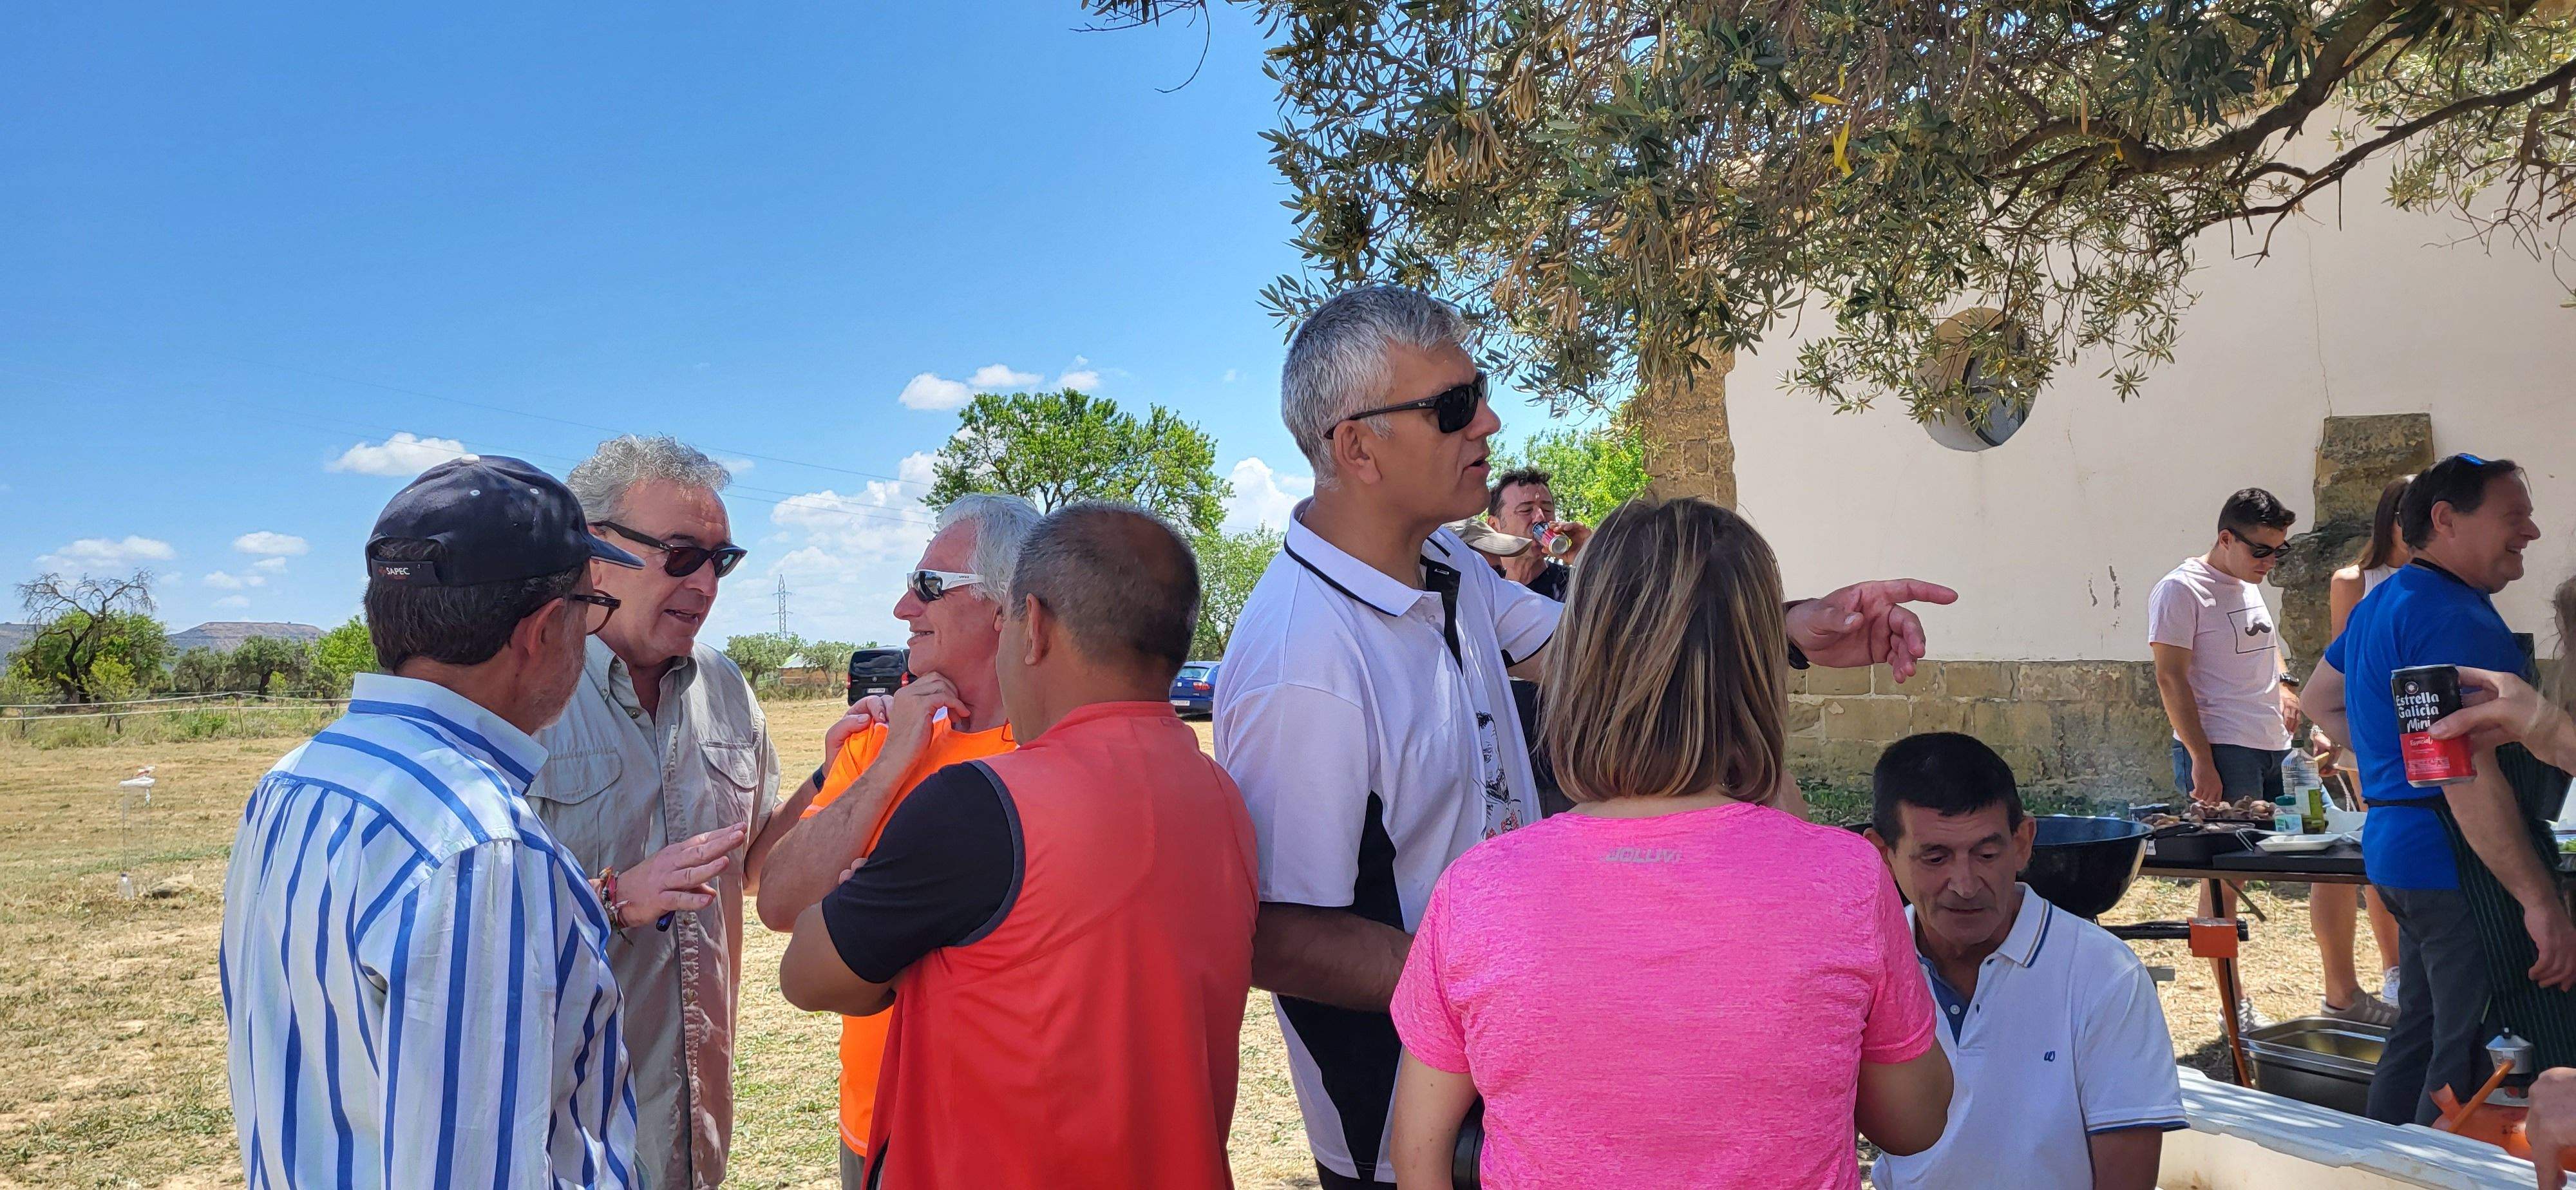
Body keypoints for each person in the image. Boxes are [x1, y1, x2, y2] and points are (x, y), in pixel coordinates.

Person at [1220, 283, 1956, 1188]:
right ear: (1357, 446)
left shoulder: (1446, 561)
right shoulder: (1303, 661)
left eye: (1478, 389)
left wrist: (1787, 630)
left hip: (1535, 1081)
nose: (1487, 421)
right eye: (1452, 407)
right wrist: (1515, 971)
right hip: (1405, 1124)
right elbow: (1274, 935)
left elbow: (1605, 648)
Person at [1385, 497, 1951, 1188]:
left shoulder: (1478, 890)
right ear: (1759, 678)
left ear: (1582, 666)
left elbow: (1417, 1154)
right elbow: (1913, 1121)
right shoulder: (1846, 880)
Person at [777, 502, 1257, 1190]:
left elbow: (809, 976)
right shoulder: (1222, 796)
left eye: (930, 584)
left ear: (1030, 625)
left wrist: (879, 904)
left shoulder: (982, 802)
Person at [221, 455, 650, 1187]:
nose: (589, 634)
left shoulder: (295, 778)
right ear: (543, 629)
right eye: (590, 609)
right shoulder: (482, 845)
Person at [752, 492, 1039, 1185]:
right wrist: (891, 765)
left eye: (928, 587)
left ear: (1006, 608)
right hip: (873, 1127)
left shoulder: (1051, 754)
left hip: (999, 1136)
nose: (902, 609)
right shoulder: (878, 740)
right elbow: (780, 904)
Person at [523, 435, 784, 1190]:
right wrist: (608, 902)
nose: (706, 584)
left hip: (692, 1129)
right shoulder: (522, 693)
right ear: (593, 549)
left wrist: (854, 768)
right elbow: (462, 925)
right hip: (561, 1135)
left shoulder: (725, 686)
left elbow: (756, 865)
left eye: (721, 561)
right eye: (680, 554)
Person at [2307, 455, 2576, 1124]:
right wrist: (2539, 898)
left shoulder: (2383, 603)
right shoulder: (2454, 616)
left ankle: (2372, 1167)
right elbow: (2463, 776)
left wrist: (2386, 763)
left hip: (2397, 850)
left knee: (2420, 1032)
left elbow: (2318, 699)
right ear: (2445, 520)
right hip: (2456, 859)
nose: (2531, 532)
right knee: (2471, 1053)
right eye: (2513, 517)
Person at [1865, 733, 2184, 1190]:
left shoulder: (2103, 974)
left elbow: (2127, 1172)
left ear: (2023, 842)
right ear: (1881, 855)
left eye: (1987, 854)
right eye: (1934, 857)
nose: (1965, 884)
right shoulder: (1864, 968)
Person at [2147, 487, 2373, 1028]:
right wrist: (2202, 759)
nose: (2271, 563)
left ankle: (2343, 996)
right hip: (2224, 749)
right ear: (2225, 538)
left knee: (2335, 860)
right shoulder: (2181, 589)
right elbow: (2169, 678)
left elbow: (2261, 639)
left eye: (2281, 552)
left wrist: (2288, 683)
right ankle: (2232, 1005)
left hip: (2276, 745)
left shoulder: (2247, 581)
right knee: (2227, 878)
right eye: (2262, 552)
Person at [2324, 475, 2414, 1012]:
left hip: (2425, 728)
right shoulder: (2355, 580)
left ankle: (2402, 968)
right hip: (2371, 731)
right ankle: (2393, 970)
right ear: (2392, 518)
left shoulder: (2446, 579)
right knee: (2378, 847)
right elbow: (2341, 661)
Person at [1481, 466, 1584, 598]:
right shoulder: (1480, 586)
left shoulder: (1575, 586)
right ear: (1494, 526)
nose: (1540, 517)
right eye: (1526, 510)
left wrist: (1589, 557)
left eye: (1547, 510)